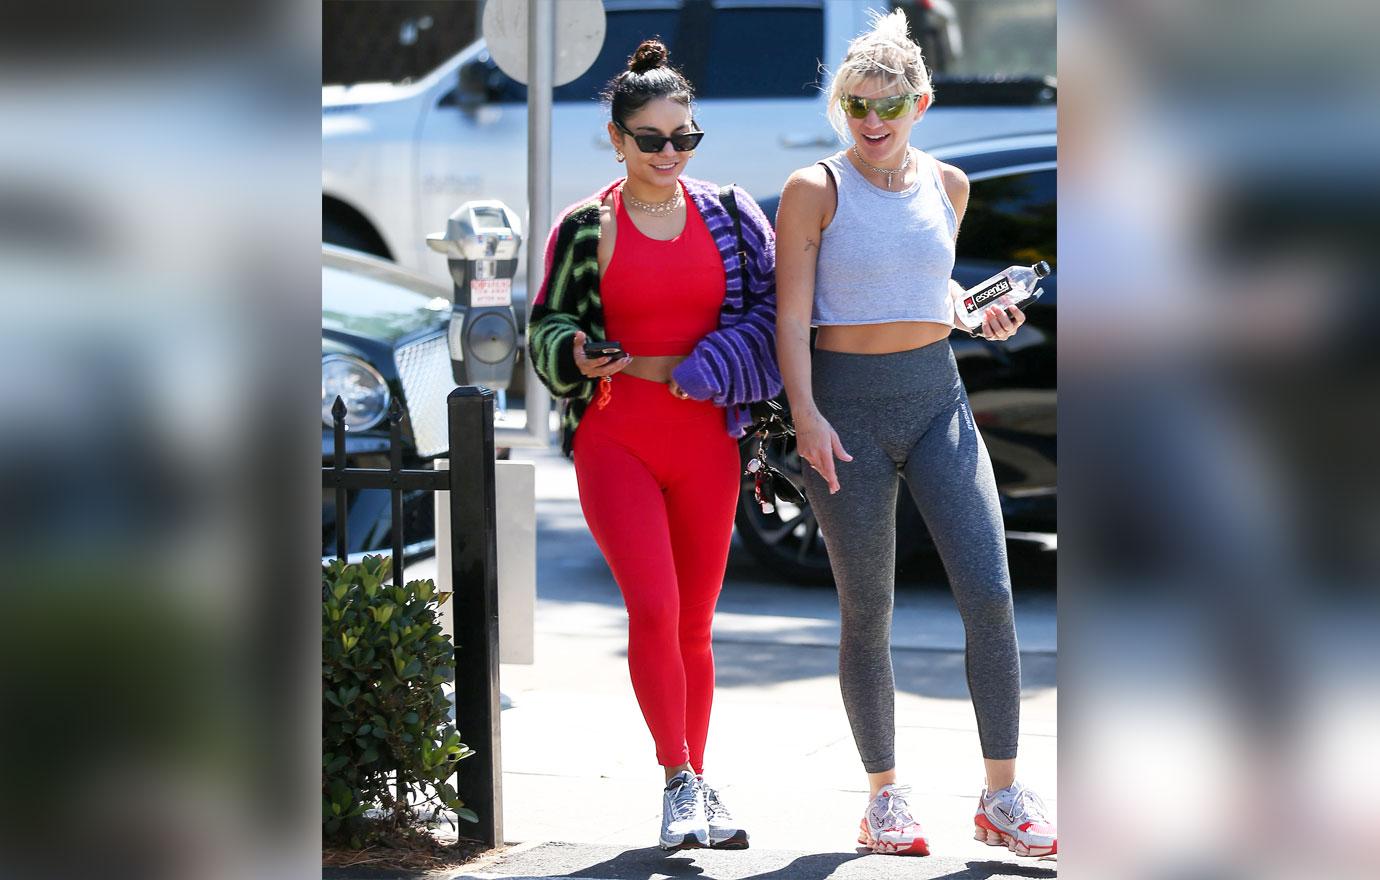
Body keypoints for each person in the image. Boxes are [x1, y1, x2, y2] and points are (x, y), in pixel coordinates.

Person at [773, 10, 1056, 858]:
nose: (871, 122)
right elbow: (792, 322)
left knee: (992, 595)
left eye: (887, 107)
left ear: (920, 104)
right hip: (846, 413)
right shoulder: (813, 189)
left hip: (940, 399)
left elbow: (932, 295)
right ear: (839, 107)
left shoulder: (950, 184)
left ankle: (1001, 797)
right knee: (870, 610)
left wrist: (980, 314)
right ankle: (883, 798)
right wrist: (810, 416)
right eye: (855, 105)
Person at [527, 40, 780, 853]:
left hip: (707, 437)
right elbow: (547, 325)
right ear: (616, 138)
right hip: (617, 434)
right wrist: (574, 350)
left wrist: (722, 364)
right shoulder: (583, 226)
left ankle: (698, 782)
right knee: (656, 608)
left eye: (685, 137)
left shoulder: (732, 216)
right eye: (652, 139)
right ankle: (677, 781)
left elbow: (769, 313)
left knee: (697, 625)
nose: (671, 153)